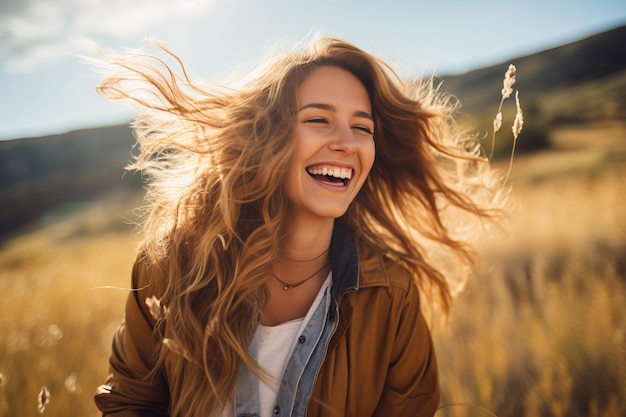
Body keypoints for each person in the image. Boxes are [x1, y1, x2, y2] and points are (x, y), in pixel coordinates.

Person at [93, 36, 504, 417]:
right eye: (318, 120)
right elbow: (130, 403)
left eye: (362, 128)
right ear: (266, 136)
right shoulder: (172, 268)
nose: (347, 142)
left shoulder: (391, 294)